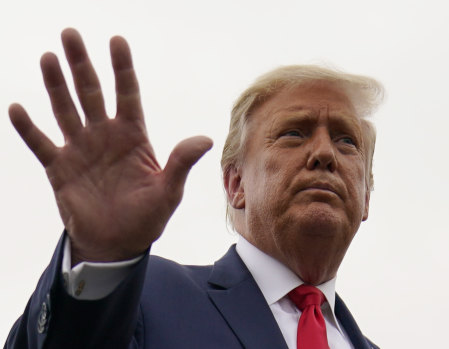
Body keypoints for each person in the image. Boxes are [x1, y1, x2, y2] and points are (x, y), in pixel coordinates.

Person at [4, 28, 383, 349]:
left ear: (365, 196)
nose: (323, 153)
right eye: (293, 133)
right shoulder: (147, 297)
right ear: (236, 185)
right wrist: (102, 254)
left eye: (346, 141)